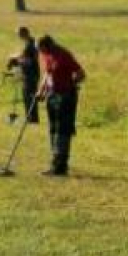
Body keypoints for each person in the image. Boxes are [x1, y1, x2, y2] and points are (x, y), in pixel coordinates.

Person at [36, 35, 85, 177]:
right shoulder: (47, 55)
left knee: (62, 130)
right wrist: (41, 90)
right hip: (52, 95)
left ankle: (60, 166)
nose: (40, 52)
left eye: (41, 49)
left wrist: (72, 84)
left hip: (65, 96)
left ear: (48, 45)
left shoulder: (64, 55)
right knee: (53, 129)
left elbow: (81, 73)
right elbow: (47, 73)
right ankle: (54, 163)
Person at [7, 27, 40, 123]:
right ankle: (29, 117)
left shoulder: (31, 44)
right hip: (27, 74)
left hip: (31, 74)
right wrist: (17, 58)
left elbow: (30, 60)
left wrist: (17, 61)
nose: (19, 37)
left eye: (19, 34)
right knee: (26, 96)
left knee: (29, 96)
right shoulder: (28, 43)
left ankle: (32, 119)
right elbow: (25, 57)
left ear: (24, 33)